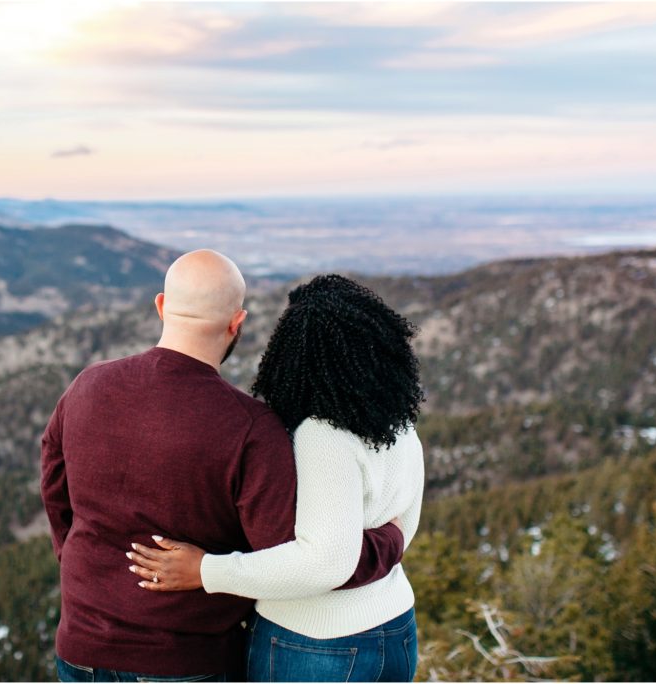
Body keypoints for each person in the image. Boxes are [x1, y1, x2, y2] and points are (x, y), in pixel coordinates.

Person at [40, 251, 407, 683]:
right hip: (185, 661)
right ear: (237, 322)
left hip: (80, 649)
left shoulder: (87, 385)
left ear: (161, 306)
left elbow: (54, 489)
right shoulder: (250, 428)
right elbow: (291, 559)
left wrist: (80, 563)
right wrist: (390, 540)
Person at [127, 274, 426, 682]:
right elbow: (404, 526)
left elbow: (325, 562)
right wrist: (389, 542)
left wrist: (205, 571)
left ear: (294, 352)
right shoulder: (397, 422)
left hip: (315, 642)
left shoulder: (322, 434)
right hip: (395, 628)